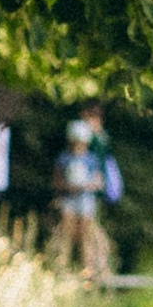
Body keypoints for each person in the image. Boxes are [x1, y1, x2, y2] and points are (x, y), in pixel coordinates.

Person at [51, 115, 115, 284]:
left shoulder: (91, 159)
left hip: (85, 199)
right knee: (66, 231)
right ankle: (61, 267)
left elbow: (99, 181)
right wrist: (67, 186)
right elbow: (56, 180)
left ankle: (88, 269)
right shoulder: (64, 158)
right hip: (69, 199)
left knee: (86, 233)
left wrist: (87, 186)